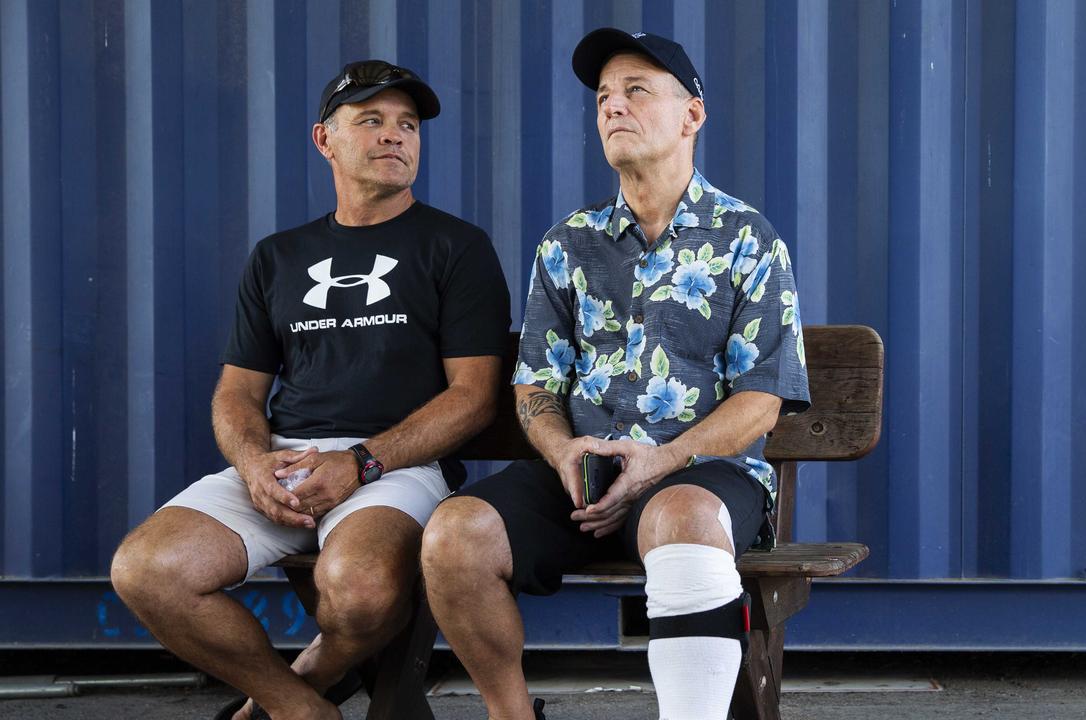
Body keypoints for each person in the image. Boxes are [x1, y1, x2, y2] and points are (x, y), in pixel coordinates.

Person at [422, 29, 809, 720]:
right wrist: (561, 448)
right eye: (603, 97)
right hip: (582, 476)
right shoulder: (568, 243)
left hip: (699, 472)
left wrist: (661, 459)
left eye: (637, 91)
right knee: (454, 535)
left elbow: (761, 402)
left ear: (692, 115)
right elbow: (535, 383)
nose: (613, 108)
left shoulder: (746, 238)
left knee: (684, 514)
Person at [110, 60, 511, 720]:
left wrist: (360, 462)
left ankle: (290, 691)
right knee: (146, 569)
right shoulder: (278, 256)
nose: (395, 136)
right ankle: (299, 709)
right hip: (283, 462)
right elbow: (237, 392)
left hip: (393, 468)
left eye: (407, 125)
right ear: (325, 139)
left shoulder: (455, 246)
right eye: (372, 121)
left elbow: (473, 396)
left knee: (356, 593)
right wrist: (253, 463)